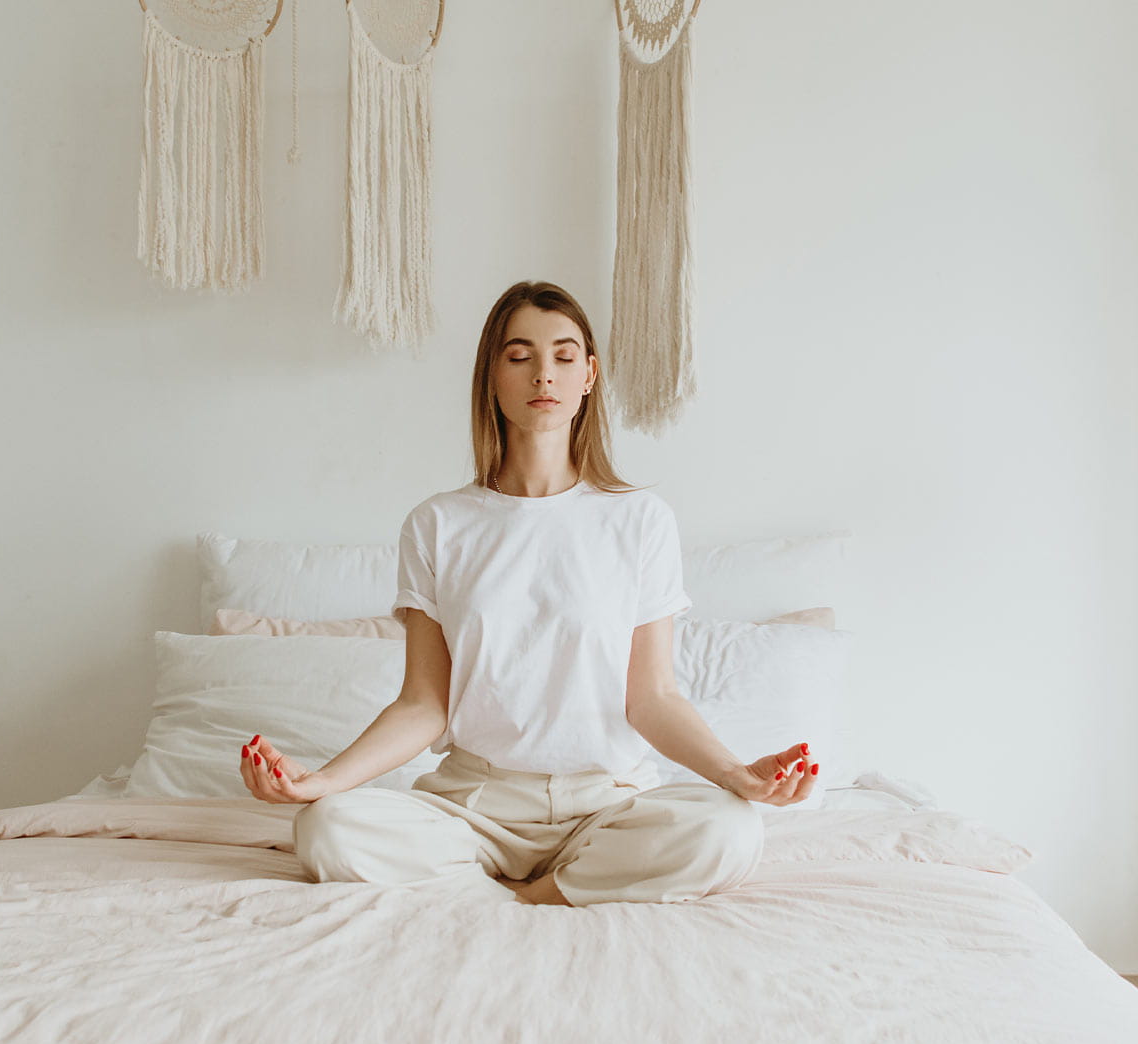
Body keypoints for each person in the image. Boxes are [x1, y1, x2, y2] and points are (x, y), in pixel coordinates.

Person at [239, 279, 819, 906]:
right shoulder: (438, 523)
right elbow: (424, 704)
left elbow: (651, 697)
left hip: (606, 804)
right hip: (473, 806)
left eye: (564, 357)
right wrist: (320, 781)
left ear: (589, 375)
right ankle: (526, 885)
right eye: (520, 356)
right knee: (327, 828)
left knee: (730, 830)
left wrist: (737, 775)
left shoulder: (640, 520)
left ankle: (534, 893)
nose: (544, 373)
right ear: (491, 374)